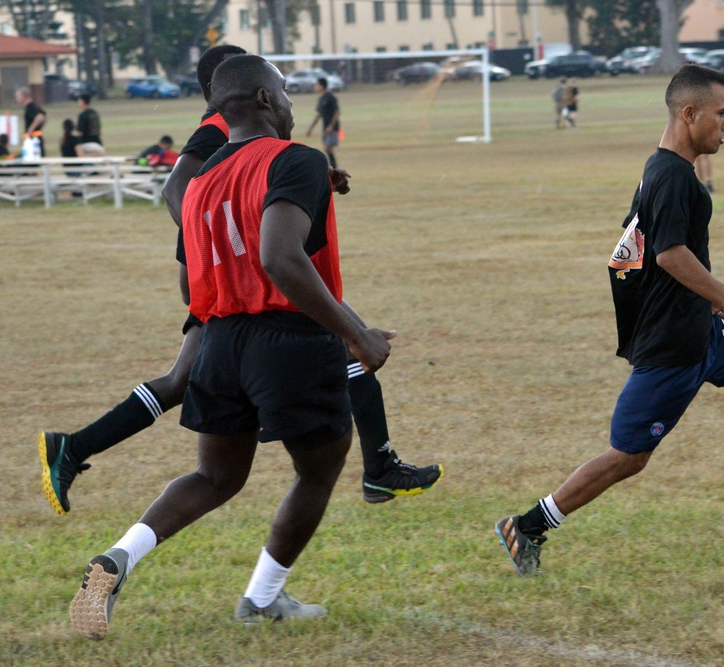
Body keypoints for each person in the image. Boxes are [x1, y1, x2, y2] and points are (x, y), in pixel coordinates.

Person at [68, 54, 396, 638]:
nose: (293, 101)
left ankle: (117, 558)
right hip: (289, 340)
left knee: (215, 477)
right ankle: (263, 597)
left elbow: (195, 279)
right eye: (287, 91)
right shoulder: (296, 158)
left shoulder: (196, 186)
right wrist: (356, 332)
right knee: (320, 468)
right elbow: (278, 256)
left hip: (218, 341)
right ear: (267, 100)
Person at [40, 44, 440, 518]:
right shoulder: (219, 125)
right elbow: (177, 189)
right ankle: (378, 468)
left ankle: (73, 446)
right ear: (247, 92)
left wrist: (304, 186)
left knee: (184, 380)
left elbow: (246, 180)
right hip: (232, 278)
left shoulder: (240, 127)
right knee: (344, 339)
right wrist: (229, 249)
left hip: (233, 270)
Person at [494, 64, 724, 576]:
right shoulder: (671, 176)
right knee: (628, 457)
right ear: (690, 113)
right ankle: (525, 526)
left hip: (699, 328)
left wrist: (715, 310)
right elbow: (669, 256)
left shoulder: (669, 169)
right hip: (673, 343)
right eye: (722, 113)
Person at [305, 77, 341, 168]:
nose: (315, 86)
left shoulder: (330, 97)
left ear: (322, 86)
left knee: (328, 148)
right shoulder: (321, 99)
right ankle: (333, 168)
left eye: (317, 85)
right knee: (327, 148)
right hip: (325, 127)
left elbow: (336, 112)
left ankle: (334, 169)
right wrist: (310, 129)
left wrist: (331, 126)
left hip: (332, 127)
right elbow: (319, 114)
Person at [15, 87, 47, 157]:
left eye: (18, 96)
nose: (17, 98)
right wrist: (40, 127)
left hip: (33, 139)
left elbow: (40, 117)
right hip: (36, 138)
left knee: (31, 160)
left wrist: (30, 129)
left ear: (23, 96)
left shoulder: (30, 107)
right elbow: (44, 116)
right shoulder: (34, 105)